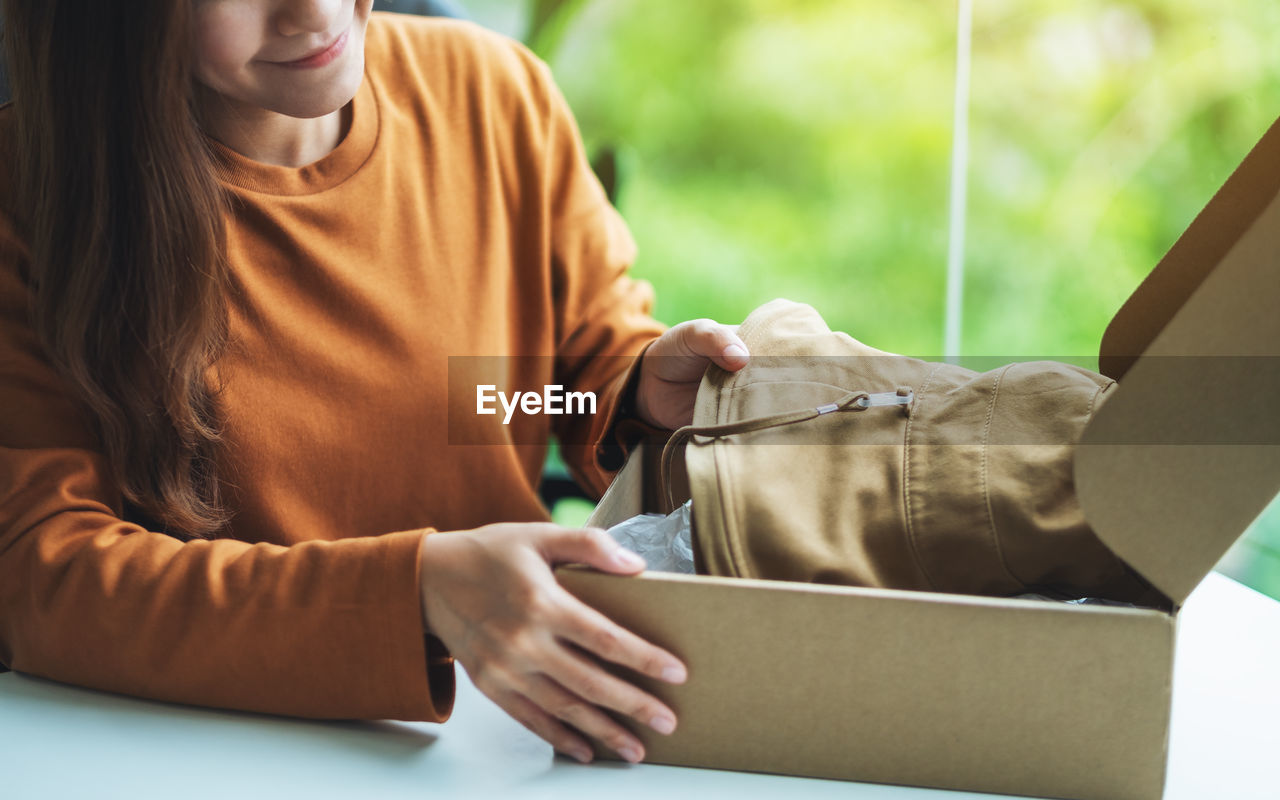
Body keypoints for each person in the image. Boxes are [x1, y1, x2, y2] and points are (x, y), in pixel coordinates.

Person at [0, 0, 752, 766]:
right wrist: (414, 595)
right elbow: (42, 572)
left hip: (520, 737)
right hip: (206, 755)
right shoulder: (30, 193)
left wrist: (633, 399)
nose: (315, 11)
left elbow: (523, 388)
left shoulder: (495, 93)